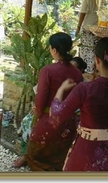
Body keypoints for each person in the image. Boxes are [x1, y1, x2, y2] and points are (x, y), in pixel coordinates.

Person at [49, 33, 108, 171]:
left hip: (87, 154)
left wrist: (60, 91)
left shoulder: (86, 89)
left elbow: (56, 117)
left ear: (97, 60)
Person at [20, 32, 84, 171]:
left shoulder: (47, 71)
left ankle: (35, 164)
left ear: (54, 50)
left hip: (48, 118)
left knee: (35, 138)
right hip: (69, 122)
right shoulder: (77, 73)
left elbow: (41, 97)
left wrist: (37, 114)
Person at [75, 0, 102, 74]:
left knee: (86, 49)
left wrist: (78, 27)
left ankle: (85, 70)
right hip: (98, 29)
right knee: (95, 49)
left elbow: (82, 13)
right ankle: (94, 70)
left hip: (88, 28)